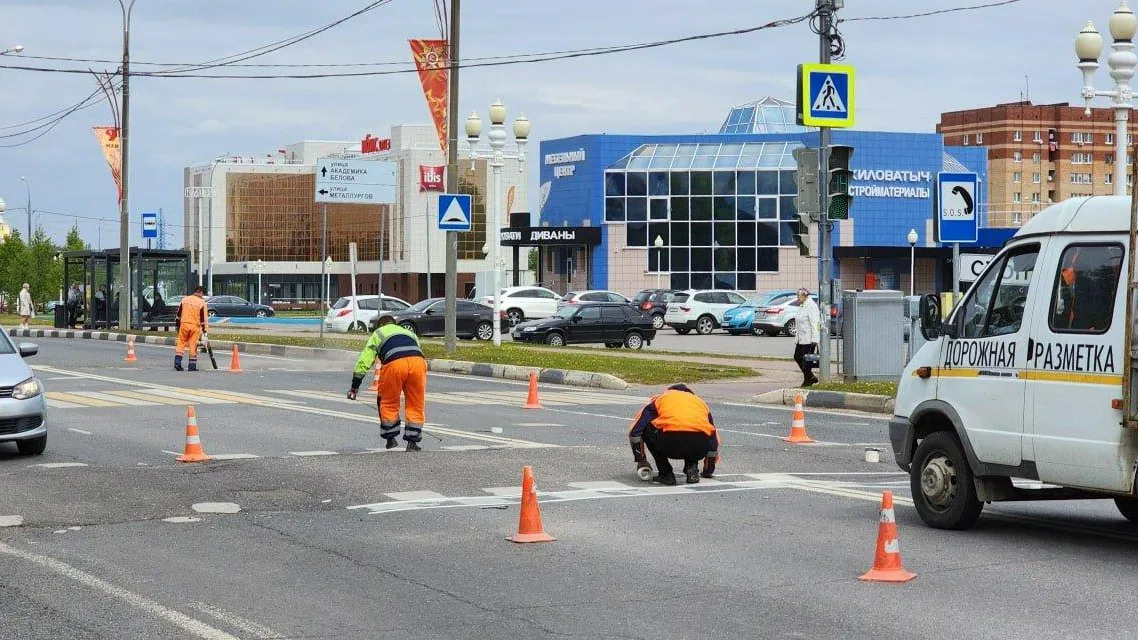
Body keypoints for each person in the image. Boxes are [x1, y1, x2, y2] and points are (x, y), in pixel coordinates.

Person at [347, 315, 427, 451]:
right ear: (395, 324)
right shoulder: (409, 332)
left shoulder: (378, 333)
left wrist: (355, 386)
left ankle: (391, 439)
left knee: (388, 401)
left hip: (394, 364)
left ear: (380, 325)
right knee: (416, 402)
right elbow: (417, 349)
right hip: (418, 363)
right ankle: (412, 442)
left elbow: (364, 361)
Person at [628, 383, 720, 485]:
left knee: (646, 427)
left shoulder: (661, 398)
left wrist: (641, 460)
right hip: (699, 448)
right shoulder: (701, 403)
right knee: (697, 430)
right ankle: (692, 470)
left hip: (670, 445)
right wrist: (708, 470)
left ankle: (666, 473)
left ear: (669, 390)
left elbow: (636, 431)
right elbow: (713, 437)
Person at [174, 286, 209, 371]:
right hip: (194, 327)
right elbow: (204, 319)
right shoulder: (202, 303)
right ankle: (192, 366)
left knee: (181, 343)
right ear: (200, 292)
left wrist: (177, 326)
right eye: (202, 293)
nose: (202, 295)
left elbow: (178, 314)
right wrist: (205, 331)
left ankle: (177, 363)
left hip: (184, 325)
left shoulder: (185, 300)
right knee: (193, 345)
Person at [792, 288, 821, 387]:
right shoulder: (802, 306)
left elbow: (815, 323)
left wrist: (815, 339)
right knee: (797, 357)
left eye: (799, 296)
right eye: (797, 295)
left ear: (805, 296)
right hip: (801, 338)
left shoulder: (811, 306)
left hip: (809, 339)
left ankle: (807, 380)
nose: (798, 297)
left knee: (806, 360)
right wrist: (796, 338)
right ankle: (811, 377)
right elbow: (799, 323)